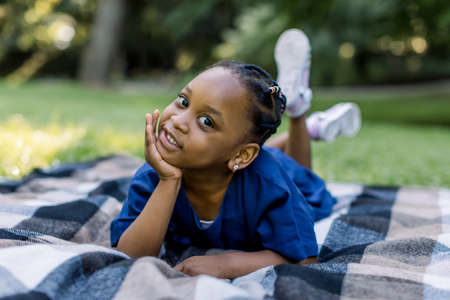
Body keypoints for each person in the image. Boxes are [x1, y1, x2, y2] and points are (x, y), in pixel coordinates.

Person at [110, 29, 360, 279]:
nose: (178, 121)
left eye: (206, 121)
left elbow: (304, 258)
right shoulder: (154, 175)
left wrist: (227, 263)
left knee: (299, 172)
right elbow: (130, 256)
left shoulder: (272, 187)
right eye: (184, 101)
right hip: (238, 159)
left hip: (275, 173)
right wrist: (169, 181)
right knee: (250, 157)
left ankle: (299, 111)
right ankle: (312, 127)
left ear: (242, 156)